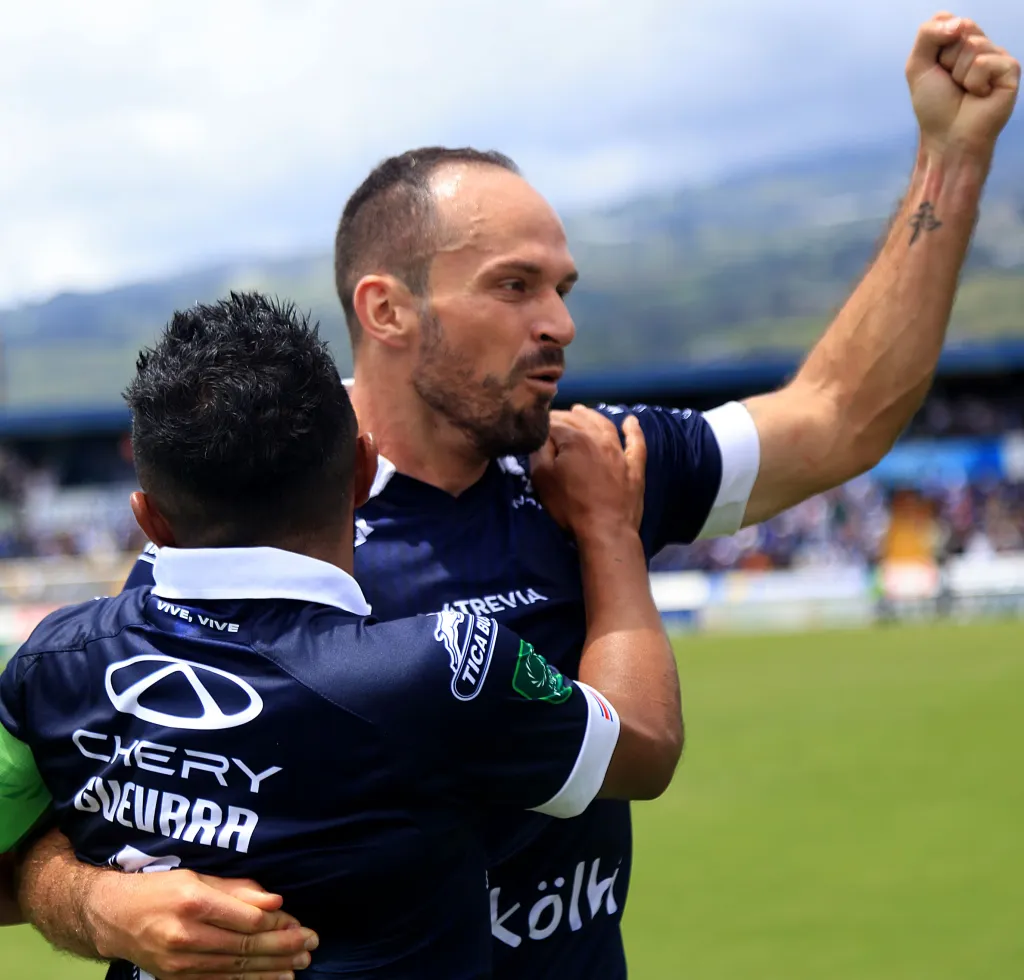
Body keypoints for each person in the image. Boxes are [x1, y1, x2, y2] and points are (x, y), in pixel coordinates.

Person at [12, 12, 1021, 980]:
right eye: (514, 286)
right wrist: (100, 904)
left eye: (563, 289)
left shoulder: (594, 461)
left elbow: (839, 414)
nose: (558, 324)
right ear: (387, 307)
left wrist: (952, 153)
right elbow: (59, 816)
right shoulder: (264, 504)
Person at [0, 292, 682, 978]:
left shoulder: (53, 663)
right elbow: (643, 748)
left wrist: (95, 902)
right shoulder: (442, 671)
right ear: (362, 471)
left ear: (149, 520)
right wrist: (608, 531)